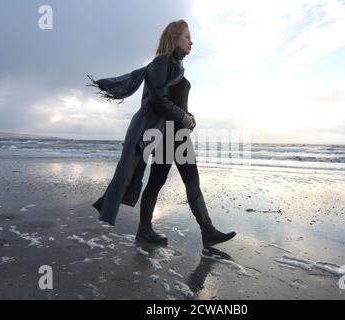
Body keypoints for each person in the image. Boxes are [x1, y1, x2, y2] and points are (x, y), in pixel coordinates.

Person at [89, 19, 236, 248]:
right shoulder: (160, 63)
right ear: (174, 37)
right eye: (187, 37)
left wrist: (190, 118)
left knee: (191, 182)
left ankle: (207, 231)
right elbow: (158, 100)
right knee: (158, 182)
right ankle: (146, 230)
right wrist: (183, 117)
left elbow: (176, 101)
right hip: (166, 135)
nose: (191, 42)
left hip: (179, 136)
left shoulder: (177, 68)